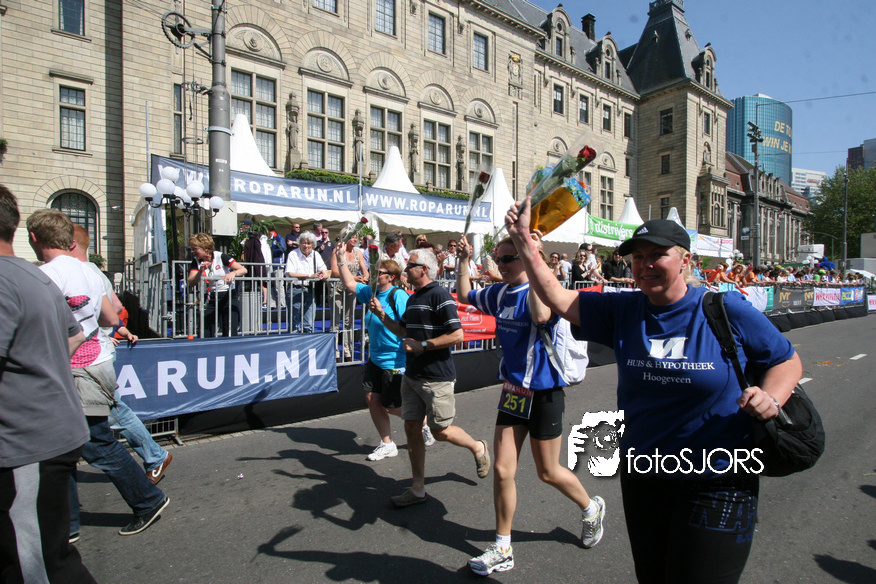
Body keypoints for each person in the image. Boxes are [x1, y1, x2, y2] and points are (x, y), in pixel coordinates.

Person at [506, 198, 803, 584]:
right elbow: (557, 298)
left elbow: (786, 360)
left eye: (657, 255)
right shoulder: (624, 310)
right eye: (638, 257)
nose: (645, 264)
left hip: (719, 478)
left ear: (685, 261)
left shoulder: (724, 308)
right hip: (645, 476)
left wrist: (771, 398)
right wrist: (524, 243)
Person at [455, 234, 606, 576]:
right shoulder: (500, 293)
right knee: (503, 470)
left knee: (547, 471)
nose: (501, 264)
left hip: (545, 391)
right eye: (499, 258)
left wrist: (534, 256)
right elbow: (464, 295)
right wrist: (464, 260)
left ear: (525, 258)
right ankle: (502, 546)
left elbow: (540, 315)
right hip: (513, 391)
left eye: (509, 258)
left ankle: (591, 508)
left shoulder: (541, 291)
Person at [27, 209, 171, 537]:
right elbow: (110, 318)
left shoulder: (44, 275)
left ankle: (147, 499)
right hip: (98, 362)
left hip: (75, 370)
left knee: (95, 443)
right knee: (64, 447)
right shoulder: (89, 272)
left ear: (34, 238)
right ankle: (68, 524)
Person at [0, 186, 97, 582]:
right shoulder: (34, 276)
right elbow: (77, 333)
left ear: (32, 236)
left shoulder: (28, 277)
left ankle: (147, 492)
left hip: (28, 439)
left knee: (37, 565)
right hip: (48, 426)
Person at [368, 248, 490, 507]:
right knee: (411, 428)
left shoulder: (439, 295)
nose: (405, 269)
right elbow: (401, 330)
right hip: (412, 376)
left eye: (409, 265)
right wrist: (381, 314)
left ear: (423, 269)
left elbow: (457, 335)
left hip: (437, 377)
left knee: (440, 430)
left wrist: (422, 345)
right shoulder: (413, 299)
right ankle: (417, 489)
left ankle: (478, 447)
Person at [71, 225, 173, 485]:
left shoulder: (80, 272)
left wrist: (108, 330)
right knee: (109, 411)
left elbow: (113, 311)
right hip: (93, 354)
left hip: (91, 356)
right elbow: (116, 307)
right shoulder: (93, 272)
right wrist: (116, 330)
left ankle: (153, 460)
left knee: (112, 412)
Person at [335, 251, 436, 460]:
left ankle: (424, 423)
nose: (375, 275)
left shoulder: (397, 296)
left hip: (395, 359)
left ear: (391, 277)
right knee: (372, 399)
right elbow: (349, 283)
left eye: (379, 272)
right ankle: (387, 443)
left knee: (392, 406)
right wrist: (340, 260)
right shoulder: (371, 292)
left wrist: (383, 313)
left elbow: (407, 327)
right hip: (375, 357)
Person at [187, 233, 247, 337]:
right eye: (191, 249)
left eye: (195, 249)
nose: (192, 251)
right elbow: (191, 282)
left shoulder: (220, 256)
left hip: (227, 295)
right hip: (209, 297)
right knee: (205, 331)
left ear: (205, 248)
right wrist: (200, 271)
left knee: (229, 331)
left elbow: (243, 269)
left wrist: (233, 273)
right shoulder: (196, 261)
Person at [330, 229, 368, 361]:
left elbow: (365, 270)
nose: (355, 239)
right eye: (352, 237)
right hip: (337, 289)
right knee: (335, 321)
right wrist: (354, 278)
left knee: (349, 321)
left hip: (351, 290)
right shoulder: (337, 251)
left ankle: (348, 351)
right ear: (344, 238)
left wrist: (365, 277)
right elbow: (335, 272)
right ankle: (334, 352)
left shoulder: (358, 253)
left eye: (356, 237)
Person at [285, 230, 330, 333]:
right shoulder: (293, 254)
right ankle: (293, 341)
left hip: (311, 291)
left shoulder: (316, 255)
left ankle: (307, 342)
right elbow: (290, 273)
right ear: (299, 243)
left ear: (313, 245)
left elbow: (325, 270)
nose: (306, 245)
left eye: (309, 243)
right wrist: (309, 276)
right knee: (294, 324)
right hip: (295, 290)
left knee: (308, 324)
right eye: (303, 243)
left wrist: (323, 274)